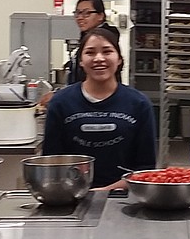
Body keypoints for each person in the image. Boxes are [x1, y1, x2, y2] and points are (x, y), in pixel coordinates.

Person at [41, 26, 156, 189]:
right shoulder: (61, 103)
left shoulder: (139, 104)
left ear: (119, 59)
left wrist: (102, 192)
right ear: (80, 60)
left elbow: (145, 168)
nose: (99, 58)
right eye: (90, 52)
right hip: (70, 196)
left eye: (107, 51)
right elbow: (51, 162)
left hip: (124, 198)